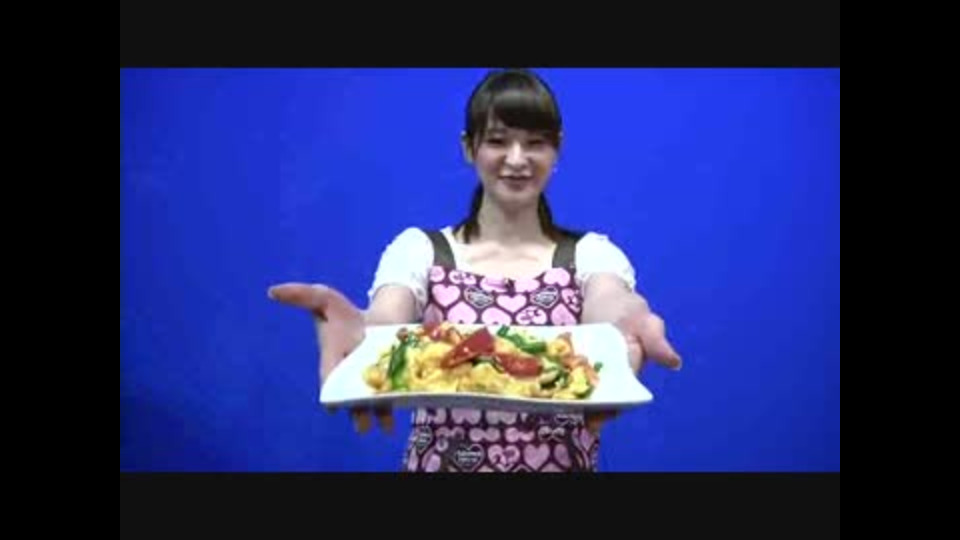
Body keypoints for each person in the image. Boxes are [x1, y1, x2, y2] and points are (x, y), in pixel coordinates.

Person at [268, 68, 682, 472]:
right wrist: (366, 336)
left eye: (535, 143)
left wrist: (624, 322)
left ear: (557, 149)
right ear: (469, 148)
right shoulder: (421, 250)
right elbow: (387, 319)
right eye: (498, 141)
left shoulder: (591, 253)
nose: (516, 160)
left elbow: (609, 302)